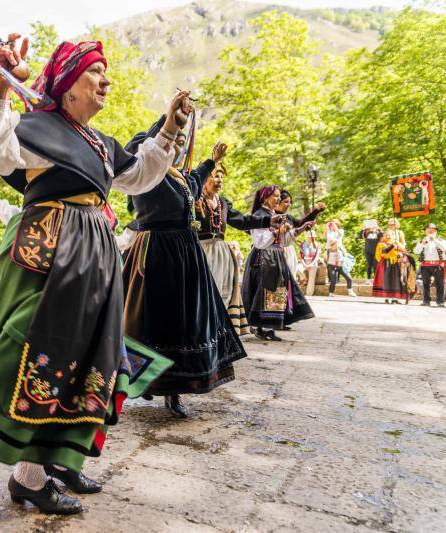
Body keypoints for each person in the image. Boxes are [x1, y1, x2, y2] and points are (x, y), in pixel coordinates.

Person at [0, 35, 180, 514]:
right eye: (96, 71)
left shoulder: (99, 143)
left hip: (92, 254)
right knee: (42, 349)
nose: (107, 80)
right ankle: (28, 476)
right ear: (69, 84)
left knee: (89, 356)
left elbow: (139, 176)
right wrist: (1, 87)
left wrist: (168, 130)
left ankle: (61, 457)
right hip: (51, 250)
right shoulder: (36, 128)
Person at [122, 116, 254, 419]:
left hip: (185, 253)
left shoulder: (179, 177)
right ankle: (149, 381)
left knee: (184, 322)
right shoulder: (145, 170)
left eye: (182, 143)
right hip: (157, 252)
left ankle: (175, 389)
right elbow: (133, 155)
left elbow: (195, 180)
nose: (178, 147)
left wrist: (212, 160)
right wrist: (161, 133)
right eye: (174, 141)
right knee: (156, 320)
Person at [195, 161, 280, 334]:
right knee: (204, 294)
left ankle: (218, 333)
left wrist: (267, 221)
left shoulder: (223, 203)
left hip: (221, 253)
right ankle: (203, 332)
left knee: (222, 294)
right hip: (201, 251)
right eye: (215, 176)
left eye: (221, 177)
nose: (219, 180)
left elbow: (242, 221)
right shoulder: (195, 200)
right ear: (204, 179)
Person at [241, 186, 315, 341]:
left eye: (278, 197)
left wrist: (301, 229)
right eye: (275, 196)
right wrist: (278, 232)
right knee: (264, 291)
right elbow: (259, 242)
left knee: (276, 292)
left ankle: (270, 326)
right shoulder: (258, 216)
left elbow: (284, 241)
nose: (278, 200)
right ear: (265, 198)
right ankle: (260, 326)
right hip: (263, 258)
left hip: (276, 257)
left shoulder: (275, 215)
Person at [275, 190, 325, 282]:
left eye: (290, 202)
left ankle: (288, 296)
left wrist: (316, 211)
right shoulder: (270, 217)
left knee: (290, 281)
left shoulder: (288, 217)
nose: (289, 204)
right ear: (277, 202)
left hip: (289, 252)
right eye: (286, 202)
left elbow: (301, 224)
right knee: (279, 282)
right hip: (275, 253)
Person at [372, 222, 413, 304]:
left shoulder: (396, 243)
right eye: (386, 235)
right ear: (383, 236)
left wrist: (401, 249)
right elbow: (383, 254)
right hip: (386, 263)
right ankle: (387, 298)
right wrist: (392, 246)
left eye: (389, 235)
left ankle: (395, 298)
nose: (388, 236)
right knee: (387, 280)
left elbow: (403, 250)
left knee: (396, 280)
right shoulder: (381, 244)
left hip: (395, 263)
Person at [413, 223, 446, 307]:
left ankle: (440, 301)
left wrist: (434, 240)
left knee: (440, 283)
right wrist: (423, 243)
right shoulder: (422, 241)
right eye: (428, 230)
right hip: (425, 265)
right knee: (425, 283)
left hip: (438, 265)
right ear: (425, 231)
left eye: (432, 230)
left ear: (436, 231)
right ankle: (426, 301)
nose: (430, 231)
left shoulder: (440, 240)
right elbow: (416, 251)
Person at [299, 230, 321, 297]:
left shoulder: (317, 245)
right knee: (298, 269)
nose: (311, 238)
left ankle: (309, 295)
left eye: (313, 237)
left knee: (311, 279)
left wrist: (311, 264)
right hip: (304, 262)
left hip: (313, 263)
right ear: (307, 237)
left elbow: (317, 256)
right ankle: (304, 278)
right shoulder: (302, 244)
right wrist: (304, 264)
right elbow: (300, 256)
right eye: (310, 237)